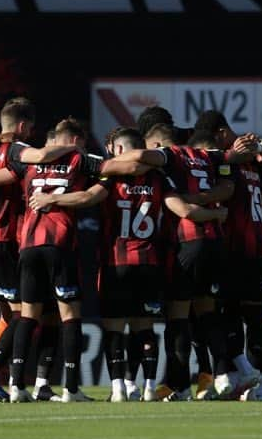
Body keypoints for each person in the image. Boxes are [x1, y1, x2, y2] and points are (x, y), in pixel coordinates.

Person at [0, 118, 152, 402]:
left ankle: (18, 386)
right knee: (70, 316)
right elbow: (125, 169)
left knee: (30, 316)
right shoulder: (81, 158)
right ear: (76, 140)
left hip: (27, 247)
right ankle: (72, 389)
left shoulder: (26, 161)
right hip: (59, 245)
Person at [75, 127, 227, 402]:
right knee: (143, 327)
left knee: (114, 329)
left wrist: (54, 199)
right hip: (149, 263)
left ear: (119, 150)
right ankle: (146, 387)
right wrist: (217, 213)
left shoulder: (110, 176)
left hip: (116, 262)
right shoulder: (159, 178)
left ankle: (120, 388)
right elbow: (182, 210)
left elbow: (89, 198)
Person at [0, 98, 78, 402]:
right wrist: (74, 149)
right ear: (22, 126)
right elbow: (42, 155)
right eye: (31, 127)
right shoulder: (18, 150)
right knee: (24, 314)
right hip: (1, 242)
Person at [193, 110, 262, 401]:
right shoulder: (248, 160)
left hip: (239, 247)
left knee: (241, 314)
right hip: (257, 245)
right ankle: (249, 379)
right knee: (241, 313)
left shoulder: (226, 159)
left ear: (219, 135)